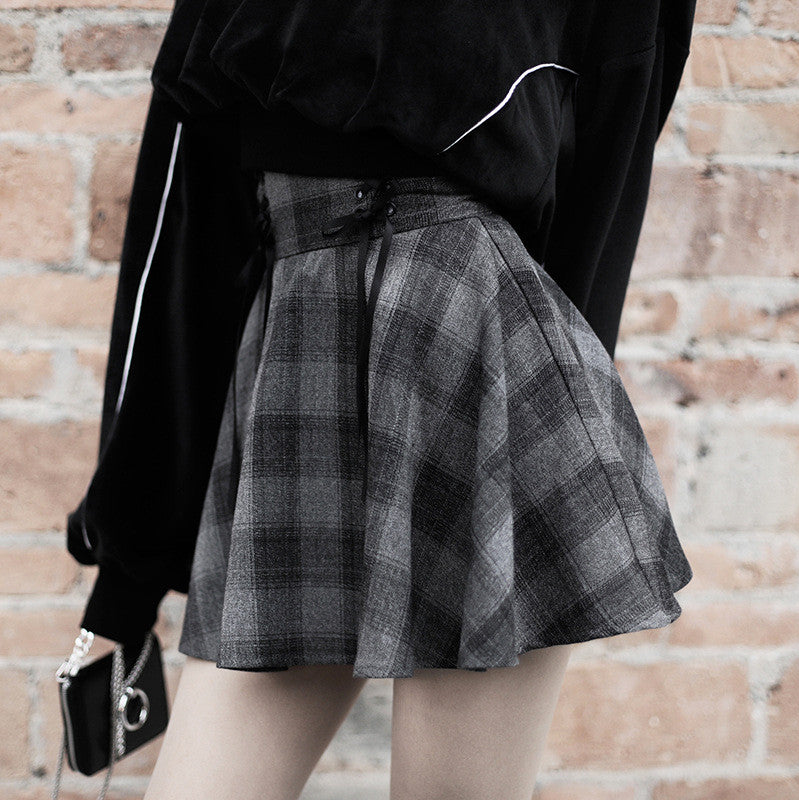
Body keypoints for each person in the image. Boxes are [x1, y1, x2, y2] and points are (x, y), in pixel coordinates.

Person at [65, 2, 697, 798]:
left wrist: (539, 416)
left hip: (475, 348)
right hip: (300, 351)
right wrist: (126, 571)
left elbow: (607, 172)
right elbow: (188, 218)